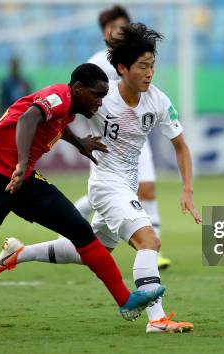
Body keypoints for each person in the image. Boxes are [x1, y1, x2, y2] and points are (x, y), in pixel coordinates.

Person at [0, 24, 201, 334]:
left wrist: (187, 189)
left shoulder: (158, 102)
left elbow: (181, 146)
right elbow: (61, 113)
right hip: (105, 184)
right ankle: (157, 320)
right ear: (122, 68)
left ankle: (19, 253)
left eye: (152, 65)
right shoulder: (101, 96)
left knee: (91, 250)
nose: (149, 72)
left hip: (125, 186)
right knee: (149, 241)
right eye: (143, 66)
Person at [0, 63, 165, 322]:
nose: (100, 103)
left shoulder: (68, 109)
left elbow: (56, 123)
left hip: (24, 183)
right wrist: (21, 164)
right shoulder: (59, 95)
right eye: (97, 95)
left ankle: (125, 300)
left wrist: (79, 144)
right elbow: (29, 117)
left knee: (80, 230)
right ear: (78, 88)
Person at [72, 5, 172, 270]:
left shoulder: (140, 62)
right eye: (111, 28)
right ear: (104, 33)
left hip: (137, 136)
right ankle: (147, 244)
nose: (117, 32)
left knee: (147, 188)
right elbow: (81, 96)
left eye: (121, 27)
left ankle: (152, 247)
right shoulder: (96, 63)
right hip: (109, 139)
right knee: (110, 193)